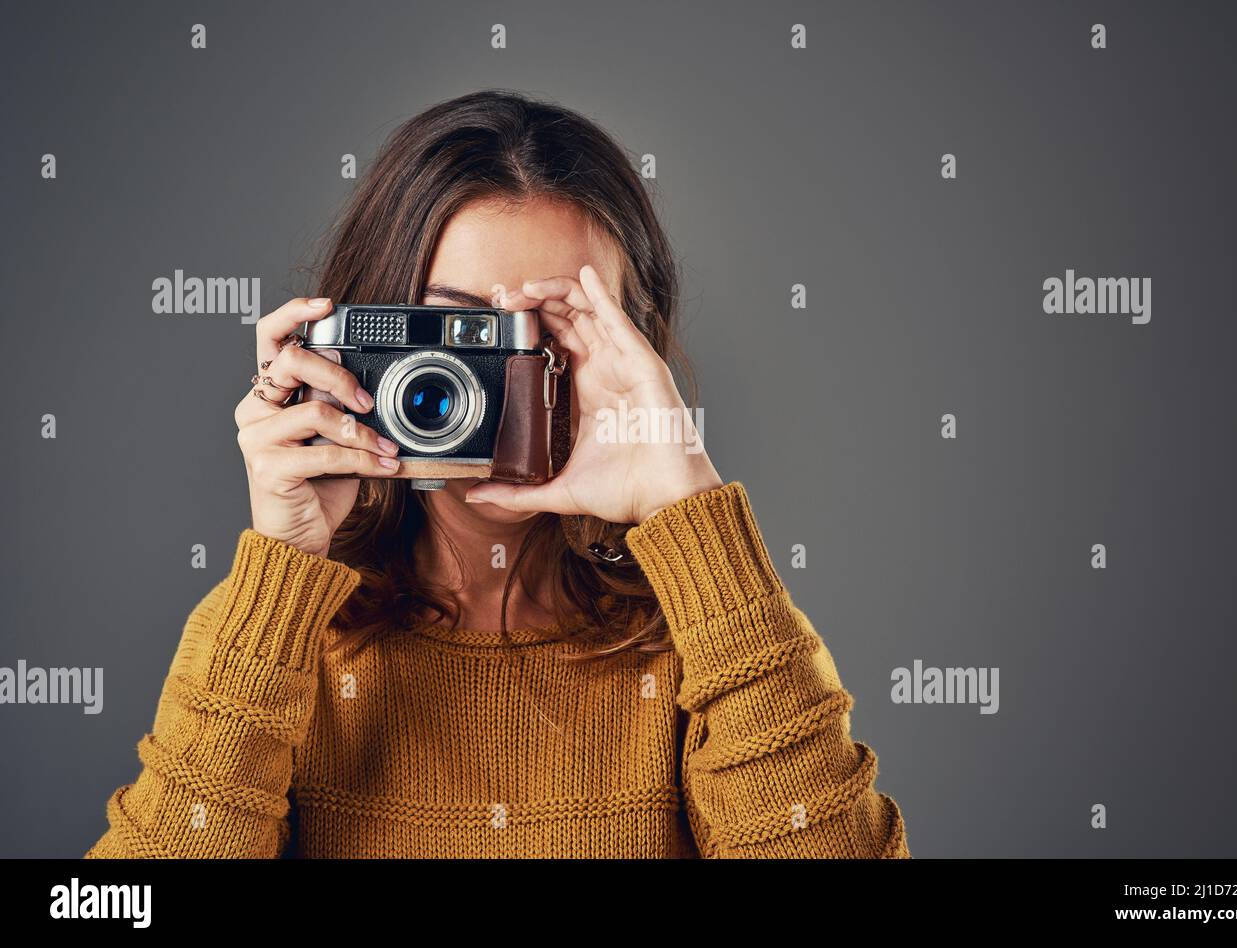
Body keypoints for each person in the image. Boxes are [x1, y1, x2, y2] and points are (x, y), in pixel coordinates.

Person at [87, 90, 909, 858]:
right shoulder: (275, 637)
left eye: (556, 327)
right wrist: (283, 574)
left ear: (638, 347)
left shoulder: (709, 642)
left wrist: (694, 515)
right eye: (454, 330)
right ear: (363, 343)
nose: (503, 381)